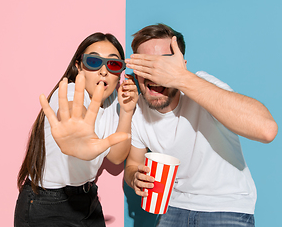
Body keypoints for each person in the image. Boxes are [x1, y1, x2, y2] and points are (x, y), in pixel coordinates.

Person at [123, 23, 278, 227]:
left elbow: (267, 130)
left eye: (163, 65)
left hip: (227, 206)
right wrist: (135, 177)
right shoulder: (139, 109)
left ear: (181, 65)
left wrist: (182, 78)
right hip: (174, 207)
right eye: (146, 65)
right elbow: (133, 164)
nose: (154, 73)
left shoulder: (202, 85)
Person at [14, 32, 138, 227]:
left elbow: (115, 157)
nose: (103, 71)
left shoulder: (113, 100)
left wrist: (127, 111)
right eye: (94, 62)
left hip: (87, 198)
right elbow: (72, 110)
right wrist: (77, 130)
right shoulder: (68, 91)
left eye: (113, 64)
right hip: (48, 203)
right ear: (79, 67)